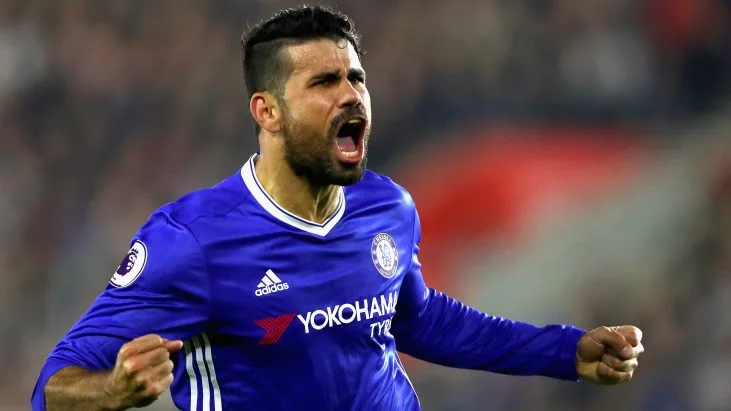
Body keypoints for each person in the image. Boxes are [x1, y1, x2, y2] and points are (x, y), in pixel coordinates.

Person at [32, 5, 644, 411]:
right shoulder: (191, 240)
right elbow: (52, 387)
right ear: (266, 111)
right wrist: (112, 390)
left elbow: (418, 320)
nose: (351, 94)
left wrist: (563, 351)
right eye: (323, 83)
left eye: (356, 77)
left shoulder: (388, 207)